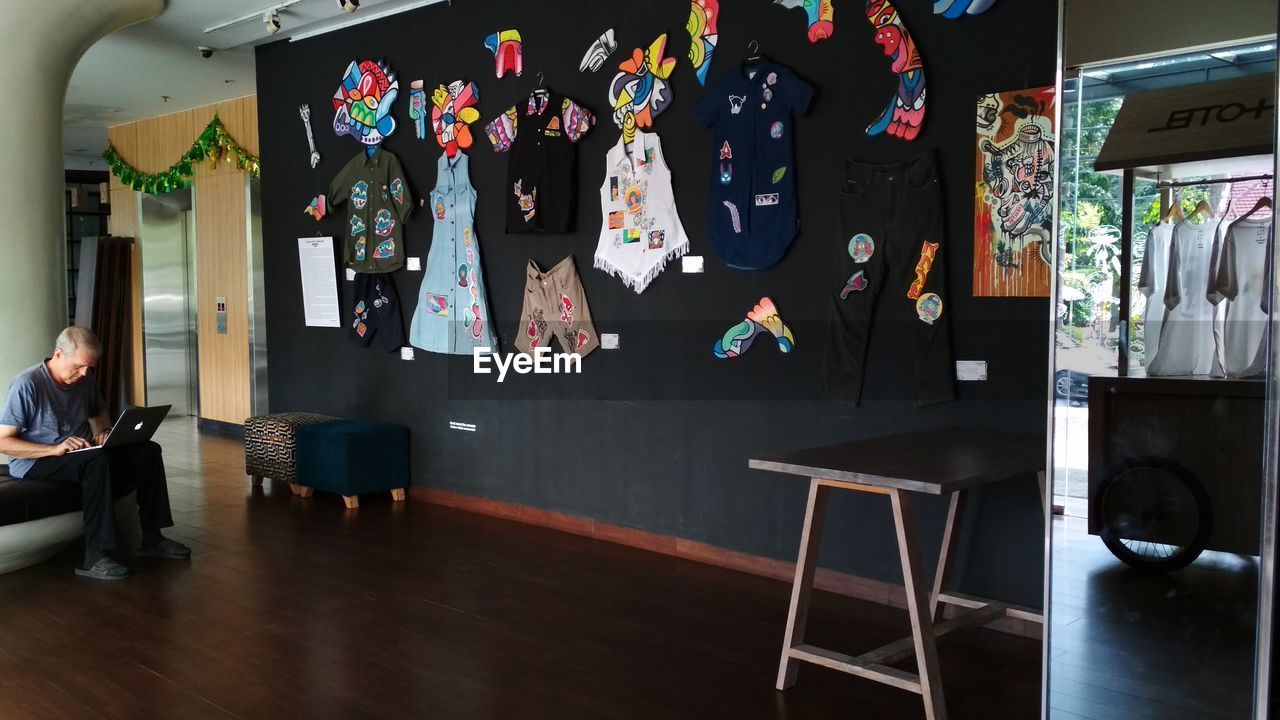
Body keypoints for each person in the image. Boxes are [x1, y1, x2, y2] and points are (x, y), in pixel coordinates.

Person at [0, 327, 190, 580]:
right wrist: (54, 449)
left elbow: (97, 412)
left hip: (81, 454)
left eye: (89, 367)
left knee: (148, 450)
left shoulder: (85, 380)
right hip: (36, 462)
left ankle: (153, 537)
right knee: (96, 461)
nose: (84, 373)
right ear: (58, 354)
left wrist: (105, 432)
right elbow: (4, 442)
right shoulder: (28, 384)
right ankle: (95, 555)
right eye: (78, 366)